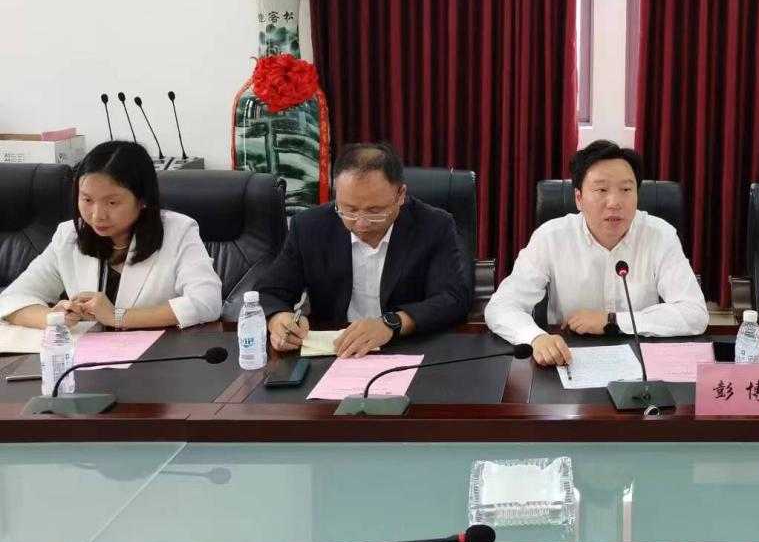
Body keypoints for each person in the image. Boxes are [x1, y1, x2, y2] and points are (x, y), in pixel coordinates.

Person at [485, 140, 707, 367]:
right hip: (569, 359)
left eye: (626, 190)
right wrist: (535, 337)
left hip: (642, 361)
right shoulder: (551, 237)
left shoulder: (660, 235)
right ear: (579, 198)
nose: (615, 203)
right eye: (601, 190)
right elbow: (501, 306)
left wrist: (612, 321)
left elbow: (695, 313)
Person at [257, 142, 471, 358]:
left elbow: (453, 299)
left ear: (400, 195)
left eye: (374, 211)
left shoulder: (434, 225)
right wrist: (278, 319)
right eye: (349, 210)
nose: (361, 223)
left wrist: (391, 323)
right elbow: (269, 293)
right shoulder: (309, 227)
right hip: (335, 351)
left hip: (406, 349)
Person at [0, 141, 222, 330]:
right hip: (87, 359)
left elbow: (207, 303)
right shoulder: (69, 235)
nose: (97, 215)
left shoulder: (178, 231)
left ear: (143, 199)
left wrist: (117, 316)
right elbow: (11, 300)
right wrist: (55, 318)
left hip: (159, 358)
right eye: (87, 200)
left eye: (112, 202)